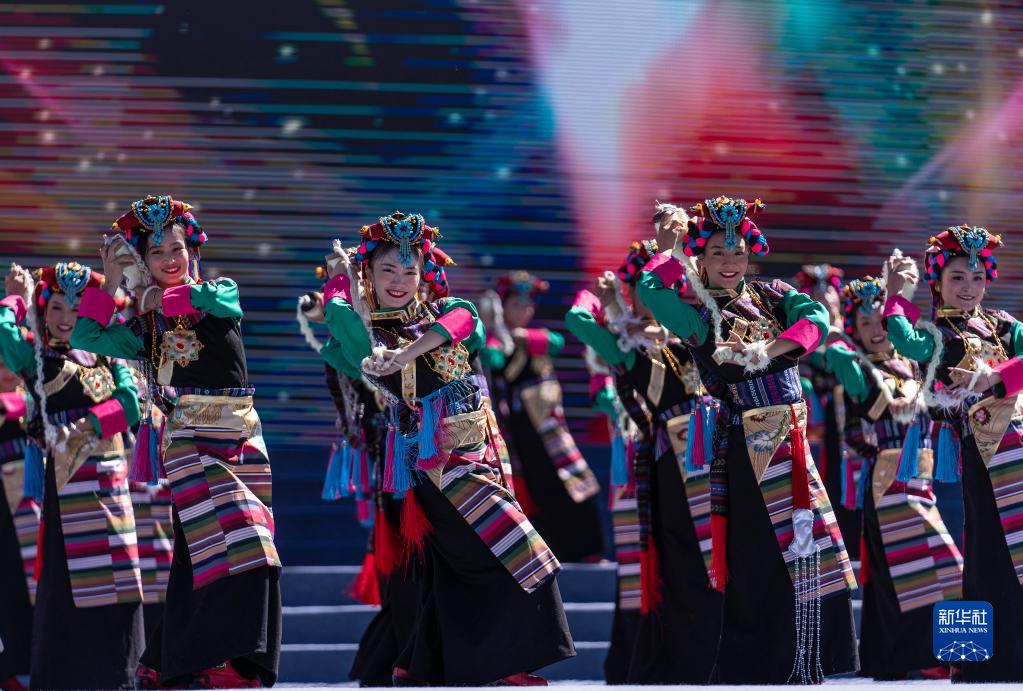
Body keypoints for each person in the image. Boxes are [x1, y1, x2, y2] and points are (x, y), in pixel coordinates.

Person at [319, 211, 574, 685]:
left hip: (477, 455)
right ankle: (503, 663)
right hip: (440, 465)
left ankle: (423, 661)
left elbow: (466, 321)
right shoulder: (367, 335)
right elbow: (340, 328)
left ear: (423, 275)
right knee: (512, 548)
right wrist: (340, 282)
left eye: (409, 270)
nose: (399, 280)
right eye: (387, 270)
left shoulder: (442, 312)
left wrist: (406, 352)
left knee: (464, 561)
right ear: (368, 275)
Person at [636, 196, 858, 684]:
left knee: (806, 547)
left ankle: (805, 660)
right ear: (700, 258)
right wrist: (669, 248)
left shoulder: (774, 294)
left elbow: (817, 319)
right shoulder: (697, 315)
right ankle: (755, 666)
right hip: (745, 445)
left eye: (737, 251)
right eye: (717, 252)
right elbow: (650, 290)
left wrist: (768, 348)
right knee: (757, 556)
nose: (729, 261)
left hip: (791, 442)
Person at [71, 195, 281, 688]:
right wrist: (111, 279)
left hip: (244, 437)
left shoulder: (219, 292)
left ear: (192, 251)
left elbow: (191, 301)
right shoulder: (143, 329)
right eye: (157, 252)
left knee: (202, 551)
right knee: (246, 543)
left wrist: (149, 296)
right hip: (190, 441)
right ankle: (230, 661)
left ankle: (170, 661)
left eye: (177, 248)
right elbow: (86, 336)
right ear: (143, 261)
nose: (170, 258)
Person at [565, 230, 722, 684]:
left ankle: (715, 655)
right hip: (668, 464)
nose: (658, 296)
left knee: (716, 561)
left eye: (668, 285)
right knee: (677, 563)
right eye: (643, 289)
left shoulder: (694, 332)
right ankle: (679, 660)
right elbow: (577, 319)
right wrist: (602, 298)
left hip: (714, 458)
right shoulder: (625, 346)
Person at [883, 225, 1023, 682]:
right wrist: (895, 295)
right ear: (938, 283)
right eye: (958, 277)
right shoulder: (936, 335)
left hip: (1018, 448)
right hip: (984, 455)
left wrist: (996, 378)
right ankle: (983, 660)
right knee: (987, 552)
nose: (969, 287)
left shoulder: (1004, 326)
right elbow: (904, 340)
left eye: (977, 277)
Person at [2, 262, 145, 690]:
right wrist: (15, 297)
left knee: (119, 579)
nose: (67, 318)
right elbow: (5, 335)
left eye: (78, 309)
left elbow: (130, 405)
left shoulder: (106, 355)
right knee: (65, 586)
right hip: (66, 488)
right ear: (43, 313)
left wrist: (87, 424)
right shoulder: (35, 358)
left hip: (111, 485)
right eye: (57, 308)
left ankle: (120, 676)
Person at [825, 274, 962, 679]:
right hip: (889, 482)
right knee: (925, 569)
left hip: (919, 478)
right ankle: (921, 658)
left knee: (918, 571)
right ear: (853, 329)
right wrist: (833, 328)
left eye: (881, 320)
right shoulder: (857, 368)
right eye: (864, 323)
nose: (876, 330)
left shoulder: (912, 366)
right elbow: (854, 433)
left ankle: (910, 658)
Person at [297, 278, 414, 687]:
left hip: (422, 462)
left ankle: (396, 657)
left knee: (414, 568)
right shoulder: (351, 346)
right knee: (404, 570)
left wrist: (335, 302)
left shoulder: (408, 330)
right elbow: (346, 353)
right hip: (395, 467)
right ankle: (397, 657)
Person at [481, 271, 604, 562]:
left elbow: (556, 342)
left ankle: (586, 550)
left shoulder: (531, 337)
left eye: (527, 305)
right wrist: (495, 332)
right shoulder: (494, 342)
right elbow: (492, 359)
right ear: (501, 307)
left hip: (551, 429)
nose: (524, 310)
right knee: (539, 491)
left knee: (574, 482)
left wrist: (514, 336)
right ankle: (551, 553)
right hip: (521, 433)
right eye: (516, 305)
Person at [583, 347, 641, 684]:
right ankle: (628, 660)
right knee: (634, 576)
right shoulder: (607, 376)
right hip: (632, 481)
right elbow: (605, 398)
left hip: (670, 473)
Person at [794, 265, 861, 558]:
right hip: (814, 426)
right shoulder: (799, 339)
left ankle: (851, 542)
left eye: (830, 295)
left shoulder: (854, 335)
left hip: (849, 424)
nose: (825, 300)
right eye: (817, 298)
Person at [0, 363, 36, 691]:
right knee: (9, 584)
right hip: (4, 508)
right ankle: (11, 667)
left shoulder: (34, 402)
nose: (7, 372)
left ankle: (34, 662)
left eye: (10, 364)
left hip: (33, 502)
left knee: (37, 581)